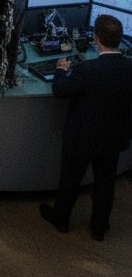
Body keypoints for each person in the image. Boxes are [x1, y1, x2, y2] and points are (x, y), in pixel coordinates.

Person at [40, 14, 132, 241]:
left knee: (71, 179)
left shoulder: (88, 70)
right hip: (114, 138)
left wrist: (61, 69)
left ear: (96, 38)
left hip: (82, 138)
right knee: (105, 183)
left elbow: (60, 91)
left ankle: (61, 219)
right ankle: (99, 228)